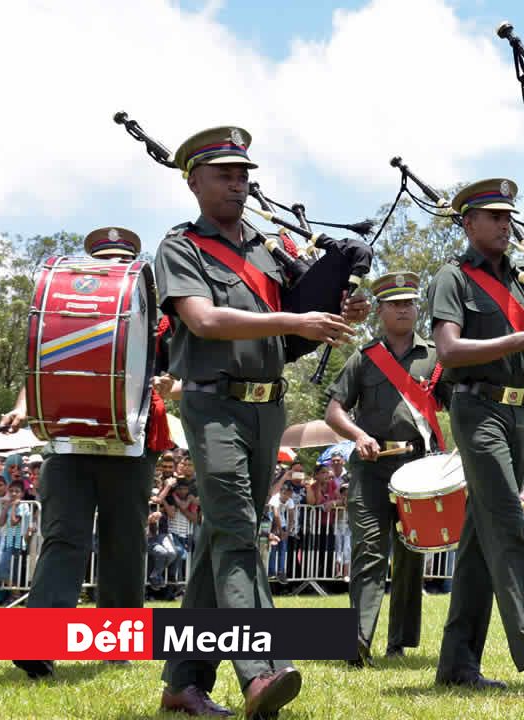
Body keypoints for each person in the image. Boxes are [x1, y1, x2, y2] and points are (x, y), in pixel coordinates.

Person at [153, 126, 369, 718]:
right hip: (213, 404)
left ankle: (183, 682)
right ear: (194, 181)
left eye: (243, 174)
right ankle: (260, 672)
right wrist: (292, 324)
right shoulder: (180, 247)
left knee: (222, 538)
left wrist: (331, 314)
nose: (237, 183)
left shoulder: (268, 249)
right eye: (223, 174)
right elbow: (203, 320)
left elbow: (290, 336)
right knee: (241, 530)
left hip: (268, 405)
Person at [0, 227, 177, 680]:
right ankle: (39, 642)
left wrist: (166, 386)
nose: (114, 267)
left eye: (122, 261)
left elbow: (178, 376)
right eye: (107, 261)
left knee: (125, 543)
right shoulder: (63, 314)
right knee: (64, 538)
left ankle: (118, 643)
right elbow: (42, 367)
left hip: (132, 442)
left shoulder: (159, 320)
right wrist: (22, 408)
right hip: (68, 440)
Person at [428, 178, 524, 696]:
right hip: (477, 407)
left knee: (483, 537)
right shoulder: (453, 277)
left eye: (509, 217)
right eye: (494, 217)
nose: (506, 225)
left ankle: (458, 664)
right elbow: (449, 351)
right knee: (507, 520)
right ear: (468, 223)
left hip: (519, 410)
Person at [324, 271, 444, 665]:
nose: (405, 309)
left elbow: (454, 403)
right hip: (373, 468)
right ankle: (357, 641)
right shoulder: (364, 356)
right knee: (370, 553)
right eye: (395, 304)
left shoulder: (435, 355)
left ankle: (400, 641)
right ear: (380, 311)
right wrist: (357, 435)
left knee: (412, 555)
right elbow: (334, 410)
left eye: (409, 302)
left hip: (420, 468)